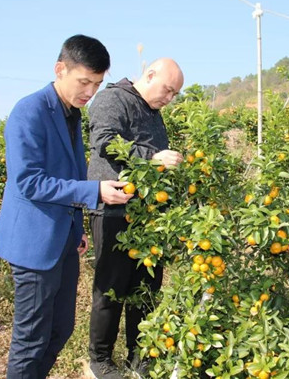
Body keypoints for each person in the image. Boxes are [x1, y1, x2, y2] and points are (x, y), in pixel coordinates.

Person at [0, 34, 133, 378]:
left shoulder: (72, 114)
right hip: (33, 243)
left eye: (96, 84)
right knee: (31, 340)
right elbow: (28, 181)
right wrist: (94, 192)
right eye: (84, 82)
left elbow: (67, 172)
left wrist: (77, 229)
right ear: (60, 69)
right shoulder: (31, 111)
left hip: (62, 240)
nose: (90, 92)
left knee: (61, 330)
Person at [86, 58, 185, 378]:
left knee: (145, 288)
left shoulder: (154, 113)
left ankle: (139, 355)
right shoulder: (112, 99)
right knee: (111, 288)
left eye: (175, 94)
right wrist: (152, 157)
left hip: (149, 215)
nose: (169, 98)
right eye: (167, 90)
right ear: (150, 75)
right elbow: (104, 140)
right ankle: (99, 359)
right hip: (114, 208)